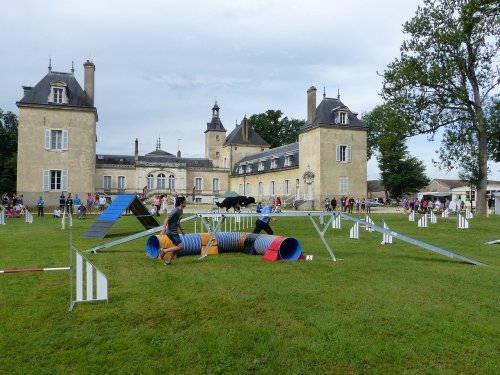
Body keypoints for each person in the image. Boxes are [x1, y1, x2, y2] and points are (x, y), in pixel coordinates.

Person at [159, 196, 187, 266]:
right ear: (181, 203)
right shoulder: (176, 210)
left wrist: (181, 229)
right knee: (180, 246)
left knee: (176, 247)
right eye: (185, 201)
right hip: (172, 232)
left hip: (174, 231)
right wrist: (163, 229)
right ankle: (164, 251)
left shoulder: (181, 210)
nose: (186, 202)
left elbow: (177, 221)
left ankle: (168, 261)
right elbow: (167, 219)